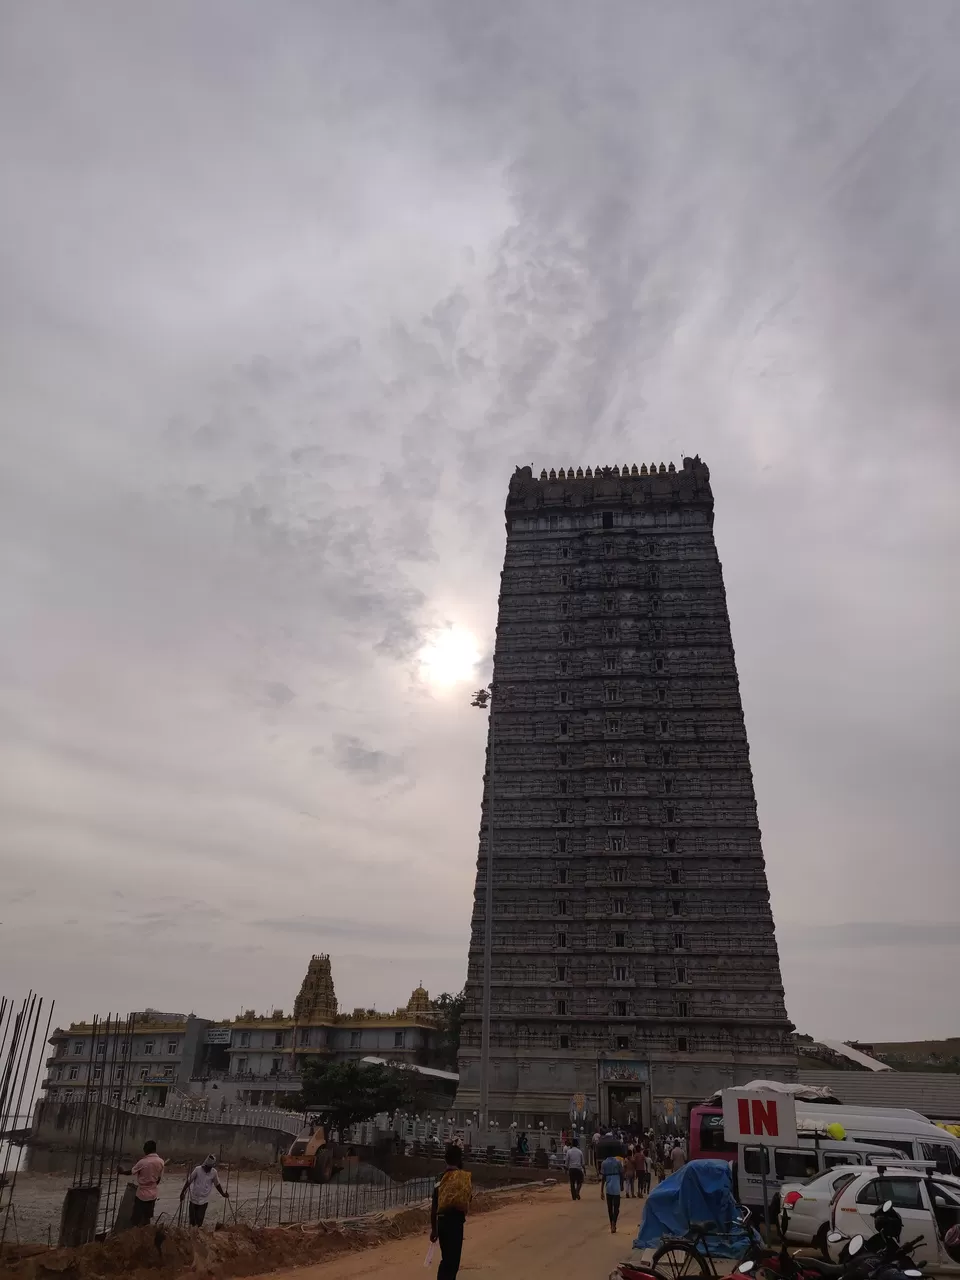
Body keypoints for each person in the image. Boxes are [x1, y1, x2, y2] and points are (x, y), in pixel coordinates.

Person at [430, 1143, 472, 1280]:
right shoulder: (463, 1179)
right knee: (453, 1262)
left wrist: (434, 1229)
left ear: (445, 1159)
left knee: (446, 1259)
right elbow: (468, 1199)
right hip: (456, 1224)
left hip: (442, 1222)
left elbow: (434, 1206)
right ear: (459, 1160)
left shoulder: (439, 1178)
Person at [180, 1154, 228, 1227]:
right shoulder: (197, 1169)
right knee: (192, 1221)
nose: (208, 1169)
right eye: (207, 1167)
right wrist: (182, 1192)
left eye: (209, 1167)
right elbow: (189, 1181)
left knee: (199, 1221)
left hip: (204, 1201)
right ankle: (192, 1232)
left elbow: (217, 1184)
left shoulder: (214, 1172)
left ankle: (197, 1232)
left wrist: (223, 1194)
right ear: (205, 1164)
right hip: (194, 1199)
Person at [129, 1140, 164, 1226]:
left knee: (136, 1218)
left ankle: (135, 1231)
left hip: (142, 1194)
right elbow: (159, 1178)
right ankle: (146, 1231)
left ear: (147, 1149)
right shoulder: (161, 1162)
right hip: (153, 1194)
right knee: (147, 1217)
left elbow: (132, 1171)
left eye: (144, 1149)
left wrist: (121, 1171)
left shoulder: (143, 1162)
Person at [600, 1150, 624, 1233]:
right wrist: (622, 1185)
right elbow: (621, 1174)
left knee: (610, 1208)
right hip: (616, 1186)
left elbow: (603, 1178)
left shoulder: (604, 1163)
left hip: (608, 1187)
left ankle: (611, 1224)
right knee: (616, 1207)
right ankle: (614, 1223)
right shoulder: (618, 1162)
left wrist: (601, 1191)